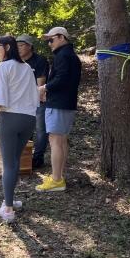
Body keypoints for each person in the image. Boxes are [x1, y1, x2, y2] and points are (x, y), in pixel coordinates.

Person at [0, 36, 39, 222]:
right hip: (29, 119)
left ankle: (7, 210)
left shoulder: (4, 67)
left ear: (7, 47)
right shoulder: (27, 68)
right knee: (14, 161)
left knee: (8, 164)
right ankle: (10, 200)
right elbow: (35, 97)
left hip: (10, 118)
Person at [35, 27, 81, 192]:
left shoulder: (63, 56)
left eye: (51, 39)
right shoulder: (69, 55)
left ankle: (56, 180)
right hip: (64, 103)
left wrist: (44, 88)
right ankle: (58, 176)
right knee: (60, 140)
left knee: (55, 140)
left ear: (61, 37)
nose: (49, 43)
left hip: (59, 104)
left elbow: (62, 80)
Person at [16, 34, 50, 168]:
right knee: (25, 130)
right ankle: (25, 157)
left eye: (21, 45)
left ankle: (38, 158)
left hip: (38, 101)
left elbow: (40, 84)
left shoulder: (40, 60)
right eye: (17, 46)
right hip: (22, 102)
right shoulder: (16, 61)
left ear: (30, 46)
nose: (18, 48)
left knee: (41, 130)